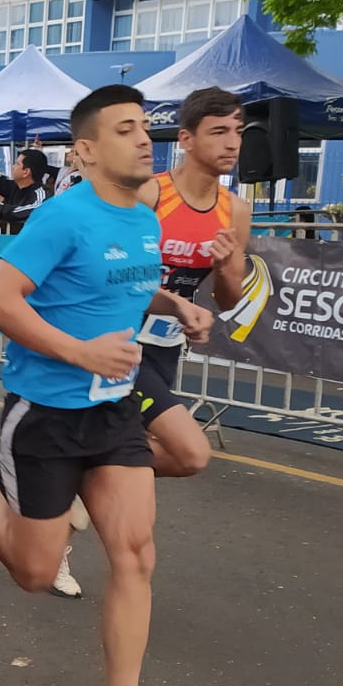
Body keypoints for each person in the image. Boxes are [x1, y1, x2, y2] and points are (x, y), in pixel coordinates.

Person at [0, 85, 214, 686]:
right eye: (124, 130)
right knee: (34, 571)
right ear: (85, 150)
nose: (145, 140)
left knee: (136, 555)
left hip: (112, 412)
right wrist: (79, 352)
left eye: (145, 128)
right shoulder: (61, 217)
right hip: (45, 413)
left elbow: (126, 288)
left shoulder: (144, 217)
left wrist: (175, 303)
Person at [135, 87, 251, 478]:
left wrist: (221, 267)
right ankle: (94, 464)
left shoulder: (234, 210)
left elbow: (229, 297)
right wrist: (179, 304)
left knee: (128, 464)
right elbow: (113, 278)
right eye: (219, 132)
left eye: (238, 132)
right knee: (189, 453)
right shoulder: (149, 195)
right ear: (186, 138)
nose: (232, 143)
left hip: (165, 347)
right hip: (119, 340)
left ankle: (91, 467)